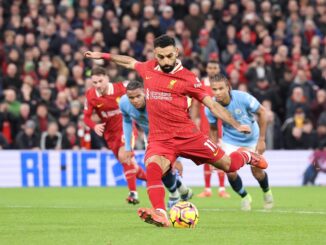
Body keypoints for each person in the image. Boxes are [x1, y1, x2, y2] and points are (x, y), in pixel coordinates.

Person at [84, 34, 268, 227]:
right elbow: (130, 61)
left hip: (188, 135)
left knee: (229, 165)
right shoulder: (148, 69)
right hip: (160, 139)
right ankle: (161, 213)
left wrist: (236, 124)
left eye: (169, 56)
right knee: (153, 168)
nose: (165, 61)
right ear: (155, 54)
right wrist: (102, 55)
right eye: (161, 57)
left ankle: (247, 156)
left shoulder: (188, 78)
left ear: (177, 52)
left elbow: (212, 105)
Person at [119, 80, 193, 208]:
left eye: (138, 96)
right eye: (131, 97)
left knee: (163, 168)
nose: (135, 100)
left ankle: (176, 194)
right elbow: (126, 121)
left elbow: (175, 124)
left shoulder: (158, 102)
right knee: (159, 168)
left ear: (145, 93)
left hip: (170, 134)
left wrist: (178, 158)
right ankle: (181, 191)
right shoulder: (124, 103)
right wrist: (128, 147)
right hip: (151, 138)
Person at [205, 74, 274, 211]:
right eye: (214, 89)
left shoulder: (243, 97)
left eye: (221, 89)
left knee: (257, 172)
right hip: (230, 140)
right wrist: (212, 152)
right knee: (230, 170)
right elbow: (213, 130)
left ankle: (266, 191)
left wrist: (261, 140)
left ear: (228, 88)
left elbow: (262, 112)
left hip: (252, 139)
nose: (217, 93)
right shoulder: (210, 107)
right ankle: (245, 196)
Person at [83, 67, 147, 205]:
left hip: (127, 128)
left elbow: (142, 91)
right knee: (132, 167)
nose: (98, 85)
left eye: (100, 81)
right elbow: (86, 118)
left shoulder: (122, 87)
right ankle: (158, 180)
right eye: (94, 82)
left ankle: (133, 194)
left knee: (125, 156)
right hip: (110, 135)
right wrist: (94, 126)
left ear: (107, 77)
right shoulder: (90, 95)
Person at [192, 60, 230, 199]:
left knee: (221, 156)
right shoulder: (200, 85)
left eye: (215, 68)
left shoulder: (223, 85)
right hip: (204, 127)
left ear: (219, 69)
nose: (212, 70)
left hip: (221, 127)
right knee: (207, 157)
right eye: (210, 67)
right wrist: (194, 120)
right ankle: (207, 189)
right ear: (206, 69)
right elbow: (196, 105)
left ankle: (221, 189)